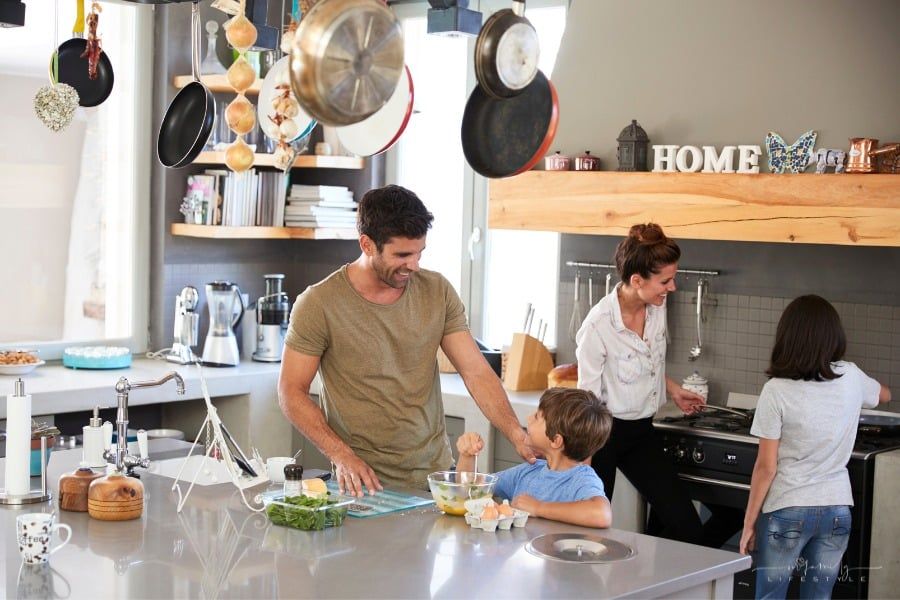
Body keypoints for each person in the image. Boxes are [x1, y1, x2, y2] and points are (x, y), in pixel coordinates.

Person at [277, 184, 534, 497]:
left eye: (419, 252)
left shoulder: (437, 291)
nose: (414, 265)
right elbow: (291, 392)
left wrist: (516, 433)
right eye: (402, 255)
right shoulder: (319, 304)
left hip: (434, 478)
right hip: (364, 485)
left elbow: (476, 371)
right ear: (367, 244)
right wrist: (342, 456)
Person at [739, 295, 891, 599]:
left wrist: (749, 522)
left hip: (787, 508)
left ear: (787, 337)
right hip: (837, 509)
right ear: (833, 337)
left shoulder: (776, 390)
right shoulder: (851, 376)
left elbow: (766, 468)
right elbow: (884, 395)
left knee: (770, 596)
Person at [575, 223, 707, 544]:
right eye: (665, 281)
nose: (672, 287)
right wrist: (583, 470)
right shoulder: (598, 326)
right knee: (591, 533)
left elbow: (647, 362)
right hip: (603, 436)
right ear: (637, 281)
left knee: (686, 527)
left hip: (642, 432)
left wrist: (672, 390)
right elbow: (587, 401)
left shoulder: (656, 306)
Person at [456, 387, 613, 528]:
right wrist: (468, 455)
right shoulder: (528, 471)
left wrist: (539, 508)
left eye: (537, 416)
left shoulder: (582, 479)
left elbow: (602, 515)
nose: (529, 418)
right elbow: (470, 491)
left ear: (556, 440)